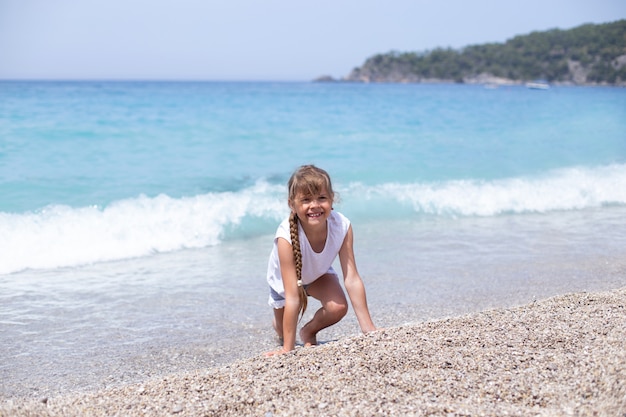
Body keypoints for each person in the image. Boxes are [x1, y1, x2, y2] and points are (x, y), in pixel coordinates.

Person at [265, 165, 377, 356]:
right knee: (282, 333)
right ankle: (281, 330)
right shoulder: (286, 238)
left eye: (322, 198)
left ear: (332, 199)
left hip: (318, 274)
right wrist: (287, 349)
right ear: (292, 204)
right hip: (285, 285)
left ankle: (308, 331)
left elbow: (352, 278)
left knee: (338, 307)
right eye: (306, 199)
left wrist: (369, 330)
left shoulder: (341, 226)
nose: (315, 205)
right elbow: (293, 297)